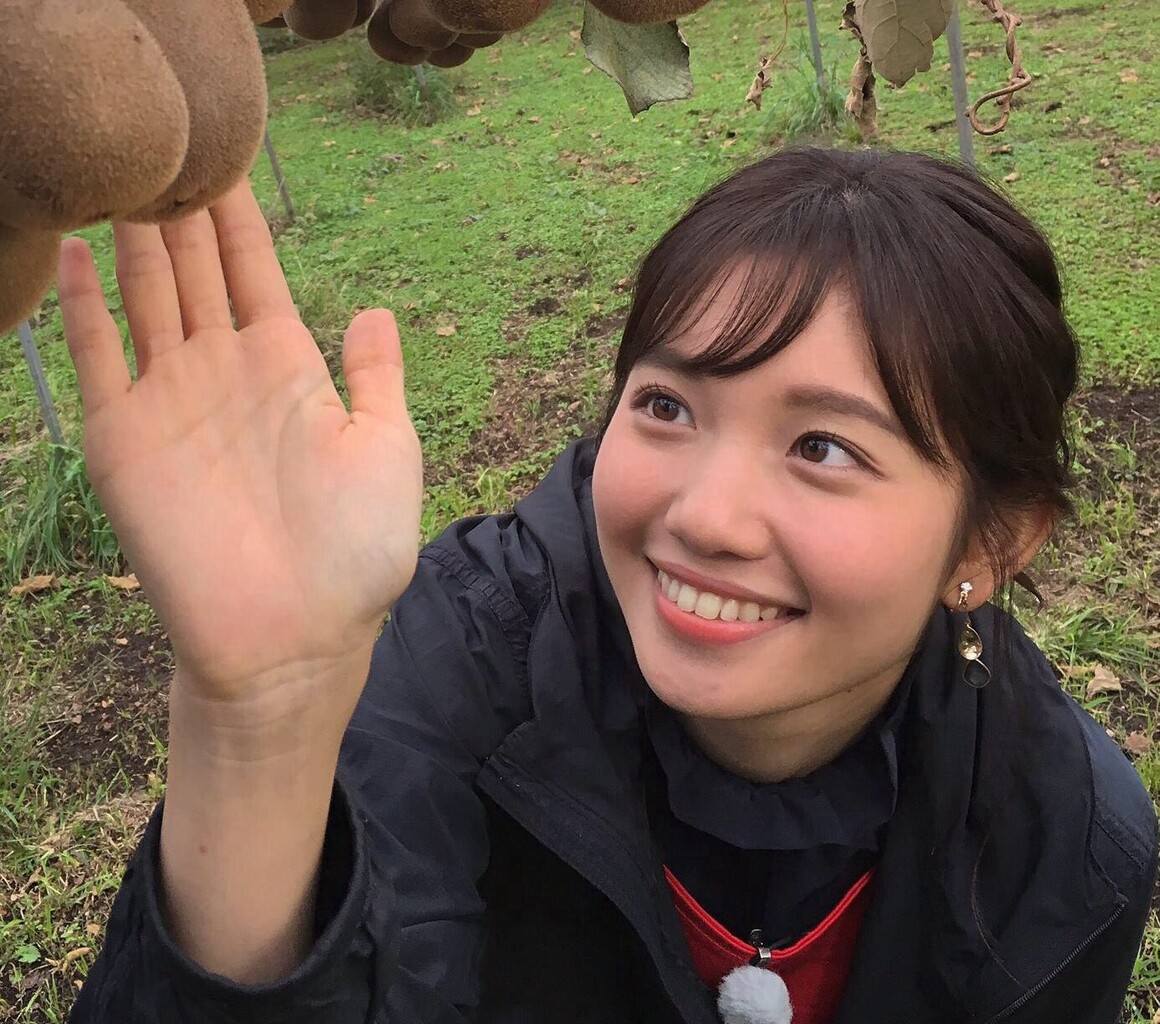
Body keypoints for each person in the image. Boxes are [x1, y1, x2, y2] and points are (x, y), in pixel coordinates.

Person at [62, 147, 1154, 1024]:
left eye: (822, 447)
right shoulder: (467, 666)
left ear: (991, 543)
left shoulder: (1066, 842)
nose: (701, 516)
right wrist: (260, 715)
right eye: (668, 407)